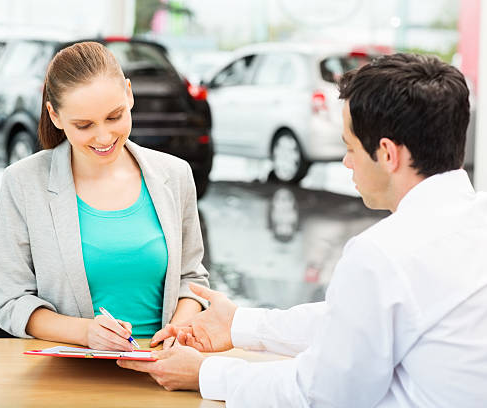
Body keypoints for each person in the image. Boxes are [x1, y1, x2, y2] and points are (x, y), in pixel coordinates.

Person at [118, 53, 487, 407]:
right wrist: (240, 323)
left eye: (351, 147)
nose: (347, 162)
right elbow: (352, 324)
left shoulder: (384, 255)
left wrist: (205, 373)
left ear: (388, 154)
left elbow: (320, 394)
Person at [0, 41, 209, 351]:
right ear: (54, 115)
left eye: (114, 116)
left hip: (163, 369)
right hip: (71, 378)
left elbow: (192, 280)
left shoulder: (174, 175)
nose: (104, 137)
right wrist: (85, 333)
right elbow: (11, 301)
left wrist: (178, 331)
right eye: (84, 125)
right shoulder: (23, 183)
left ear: (129, 94)